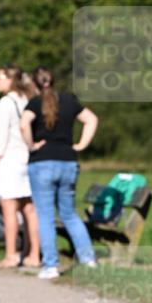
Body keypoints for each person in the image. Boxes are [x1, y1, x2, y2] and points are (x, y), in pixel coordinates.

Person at [21, 67, 98, 279]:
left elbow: (23, 124)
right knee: (70, 214)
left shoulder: (34, 103)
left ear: (35, 84)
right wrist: (81, 145)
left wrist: (31, 146)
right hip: (68, 162)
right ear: (53, 81)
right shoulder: (69, 101)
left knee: (45, 216)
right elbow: (92, 120)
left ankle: (51, 266)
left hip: (42, 163)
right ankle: (88, 259)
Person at [0, 65, 40, 269]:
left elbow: (0, 139)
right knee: (30, 209)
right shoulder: (28, 98)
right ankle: (33, 253)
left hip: (10, 160)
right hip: (28, 158)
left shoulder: (6, 102)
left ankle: (11, 254)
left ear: (10, 80)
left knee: (9, 209)